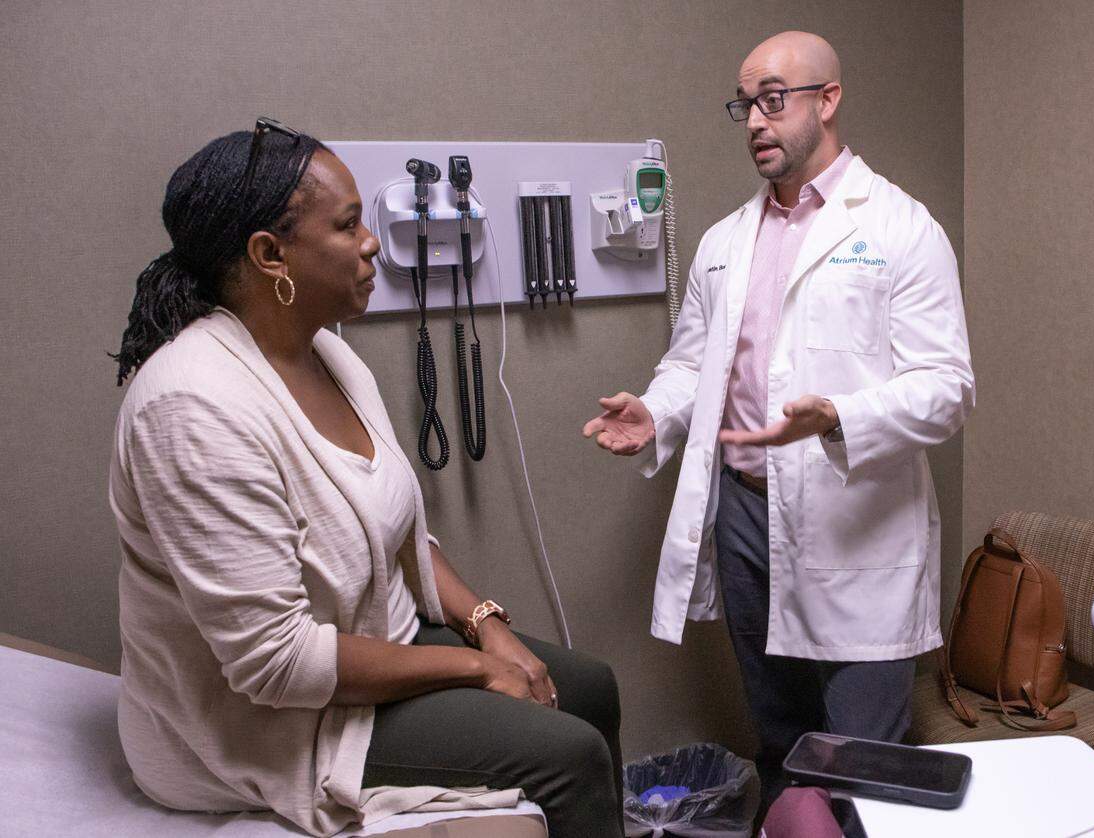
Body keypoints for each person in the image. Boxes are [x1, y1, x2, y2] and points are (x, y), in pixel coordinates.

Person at [109, 120, 622, 838]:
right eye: (348, 225)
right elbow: (277, 663)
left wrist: (485, 626)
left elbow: (402, 532)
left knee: (589, 688)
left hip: (369, 655)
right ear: (270, 254)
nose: (372, 240)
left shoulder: (328, 356)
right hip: (274, 725)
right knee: (568, 755)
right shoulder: (191, 408)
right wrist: (474, 671)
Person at [583, 31, 974, 810]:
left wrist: (840, 414)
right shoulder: (725, 242)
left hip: (855, 520)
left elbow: (948, 387)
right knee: (779, 735)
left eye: (772, 98)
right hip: (746, 517)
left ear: (827, 101)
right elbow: (693, 363)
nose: (755, 121)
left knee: (862, 759)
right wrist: (655, 412)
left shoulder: (900, 228)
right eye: (745, 104)